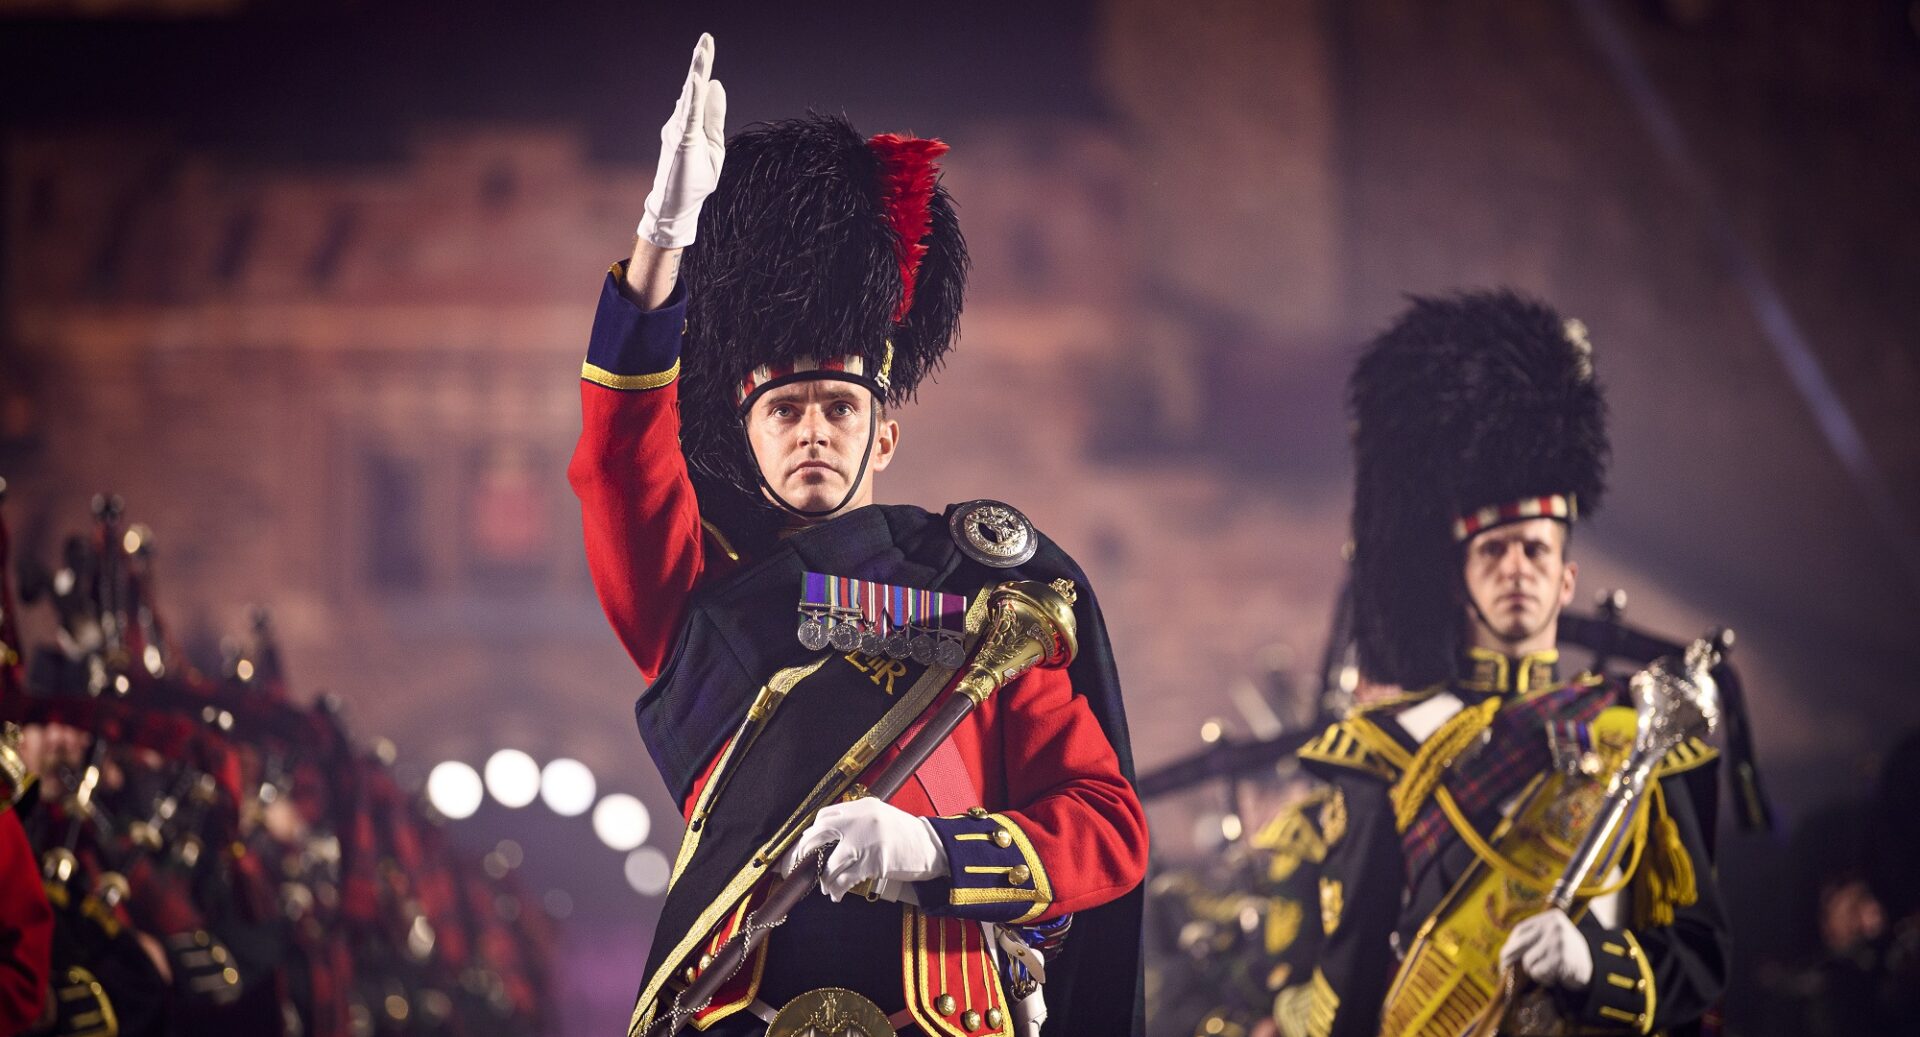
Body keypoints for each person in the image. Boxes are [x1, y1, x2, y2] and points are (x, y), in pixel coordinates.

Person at [567, 35, 1148, 1037]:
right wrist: (661, 243)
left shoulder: (983, 603)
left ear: (886, 429)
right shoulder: (699, 605)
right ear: (745, 439)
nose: (812, 432)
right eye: (783, 411)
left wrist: (936, 852)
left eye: (838, 406)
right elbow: (621, 461)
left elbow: (1107, 823)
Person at [1295, 292, 1730, 1037]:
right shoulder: (1387, 747)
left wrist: (1594, 963)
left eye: (1536, 548)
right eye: (1493, 550)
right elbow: (1357, 973)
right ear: (1460, 579)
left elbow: (1700, 958)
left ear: (1567, 578)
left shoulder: (1642, 734)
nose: (1516, 567)